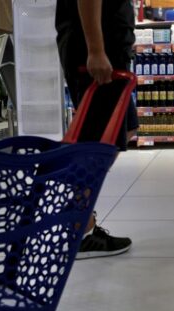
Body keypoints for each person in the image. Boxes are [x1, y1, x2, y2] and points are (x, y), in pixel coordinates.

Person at [55, 0, 138, 259]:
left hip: (110, 50)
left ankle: (77, 210)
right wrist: (96, 49)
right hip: (99, 54)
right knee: (98, 143)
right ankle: (80, 231)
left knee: (125, 131)